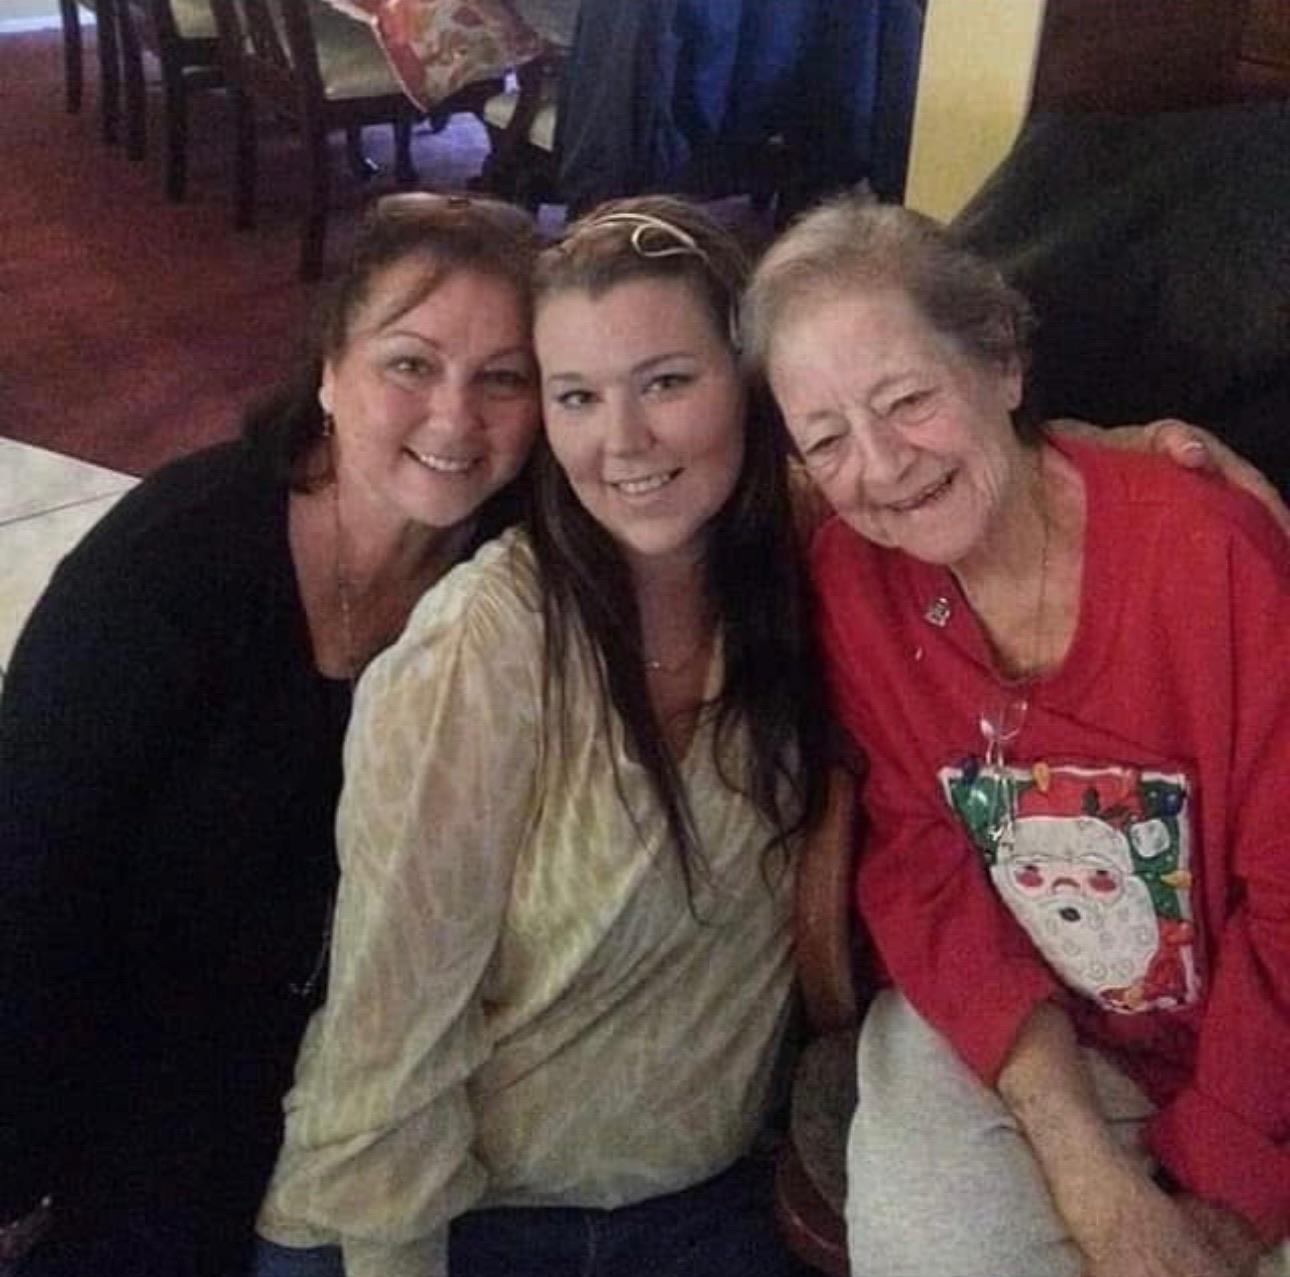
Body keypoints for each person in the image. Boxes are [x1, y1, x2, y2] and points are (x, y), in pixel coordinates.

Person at [250, 195, 831, 1277]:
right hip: (457, 1212)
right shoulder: (486, 645)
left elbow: (948, 446)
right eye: (577, 396)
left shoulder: (809, 583)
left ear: (749, 381)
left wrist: (1129, 447)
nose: (623, 442)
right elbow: (389, 1029)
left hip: (711, 1200)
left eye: (667, 381)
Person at [741, 196, 1289, 1277]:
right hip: (1035, 1032)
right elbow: (923, 864)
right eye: (827, 439)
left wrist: (1219, 1193)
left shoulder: (1205, 552)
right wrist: (1080, 1156)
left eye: (907, 400)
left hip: (1262, 1050)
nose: (883, 465)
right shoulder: (854, 578)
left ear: (1002, 365)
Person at [0, 193, 543, 1277]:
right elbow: (28, 877)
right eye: (410, 363)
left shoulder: (518, 576)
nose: (455, 417)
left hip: (362, 1078)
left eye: (504, 378)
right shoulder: (170, 565)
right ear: (330, 372)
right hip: (139, 1064)